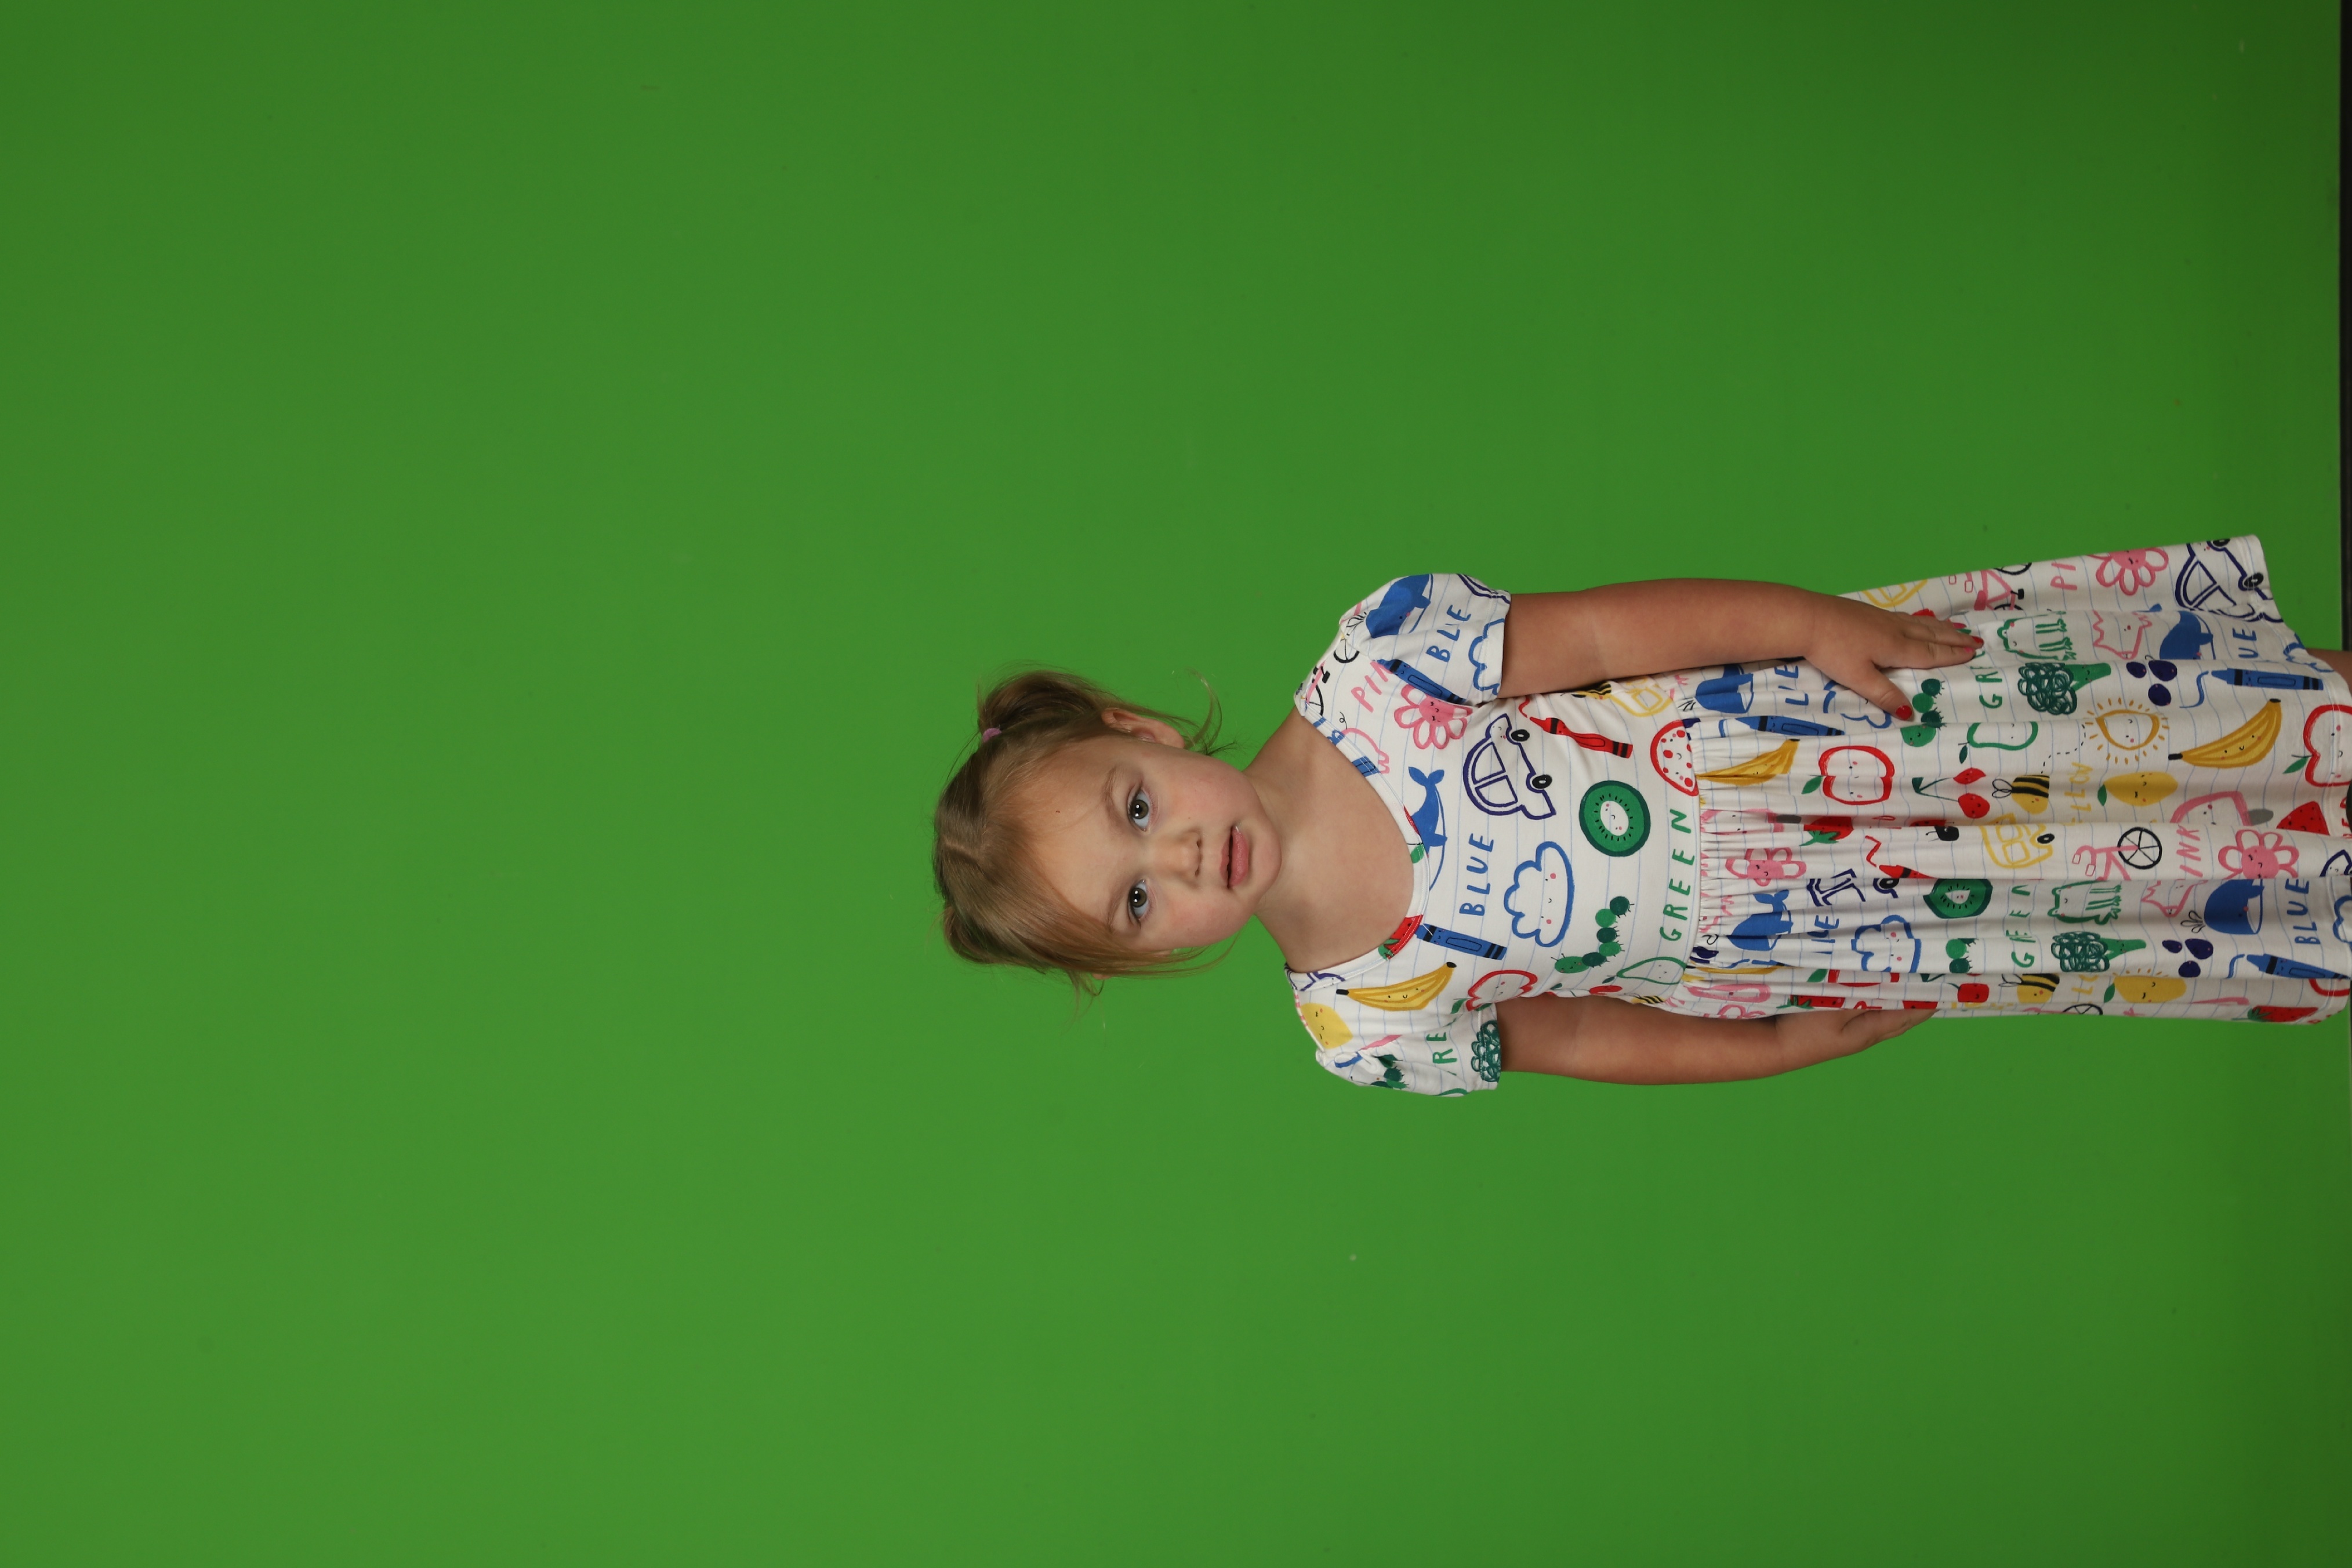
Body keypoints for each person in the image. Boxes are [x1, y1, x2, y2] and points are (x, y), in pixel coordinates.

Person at [933, 538, 2352, 1095]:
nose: (1181, 855)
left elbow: (1612, 632)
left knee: (2131, 724)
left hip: (1835, 738)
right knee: (2116, 878)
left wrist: (1807, 622)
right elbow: (1583, 1033)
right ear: (1142, 954)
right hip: (1844, 922)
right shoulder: (1367, 1018)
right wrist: (1773, 1044)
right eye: (1136, 898)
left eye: (1137, 807)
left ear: (1141, 729)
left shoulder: (1381, 669)